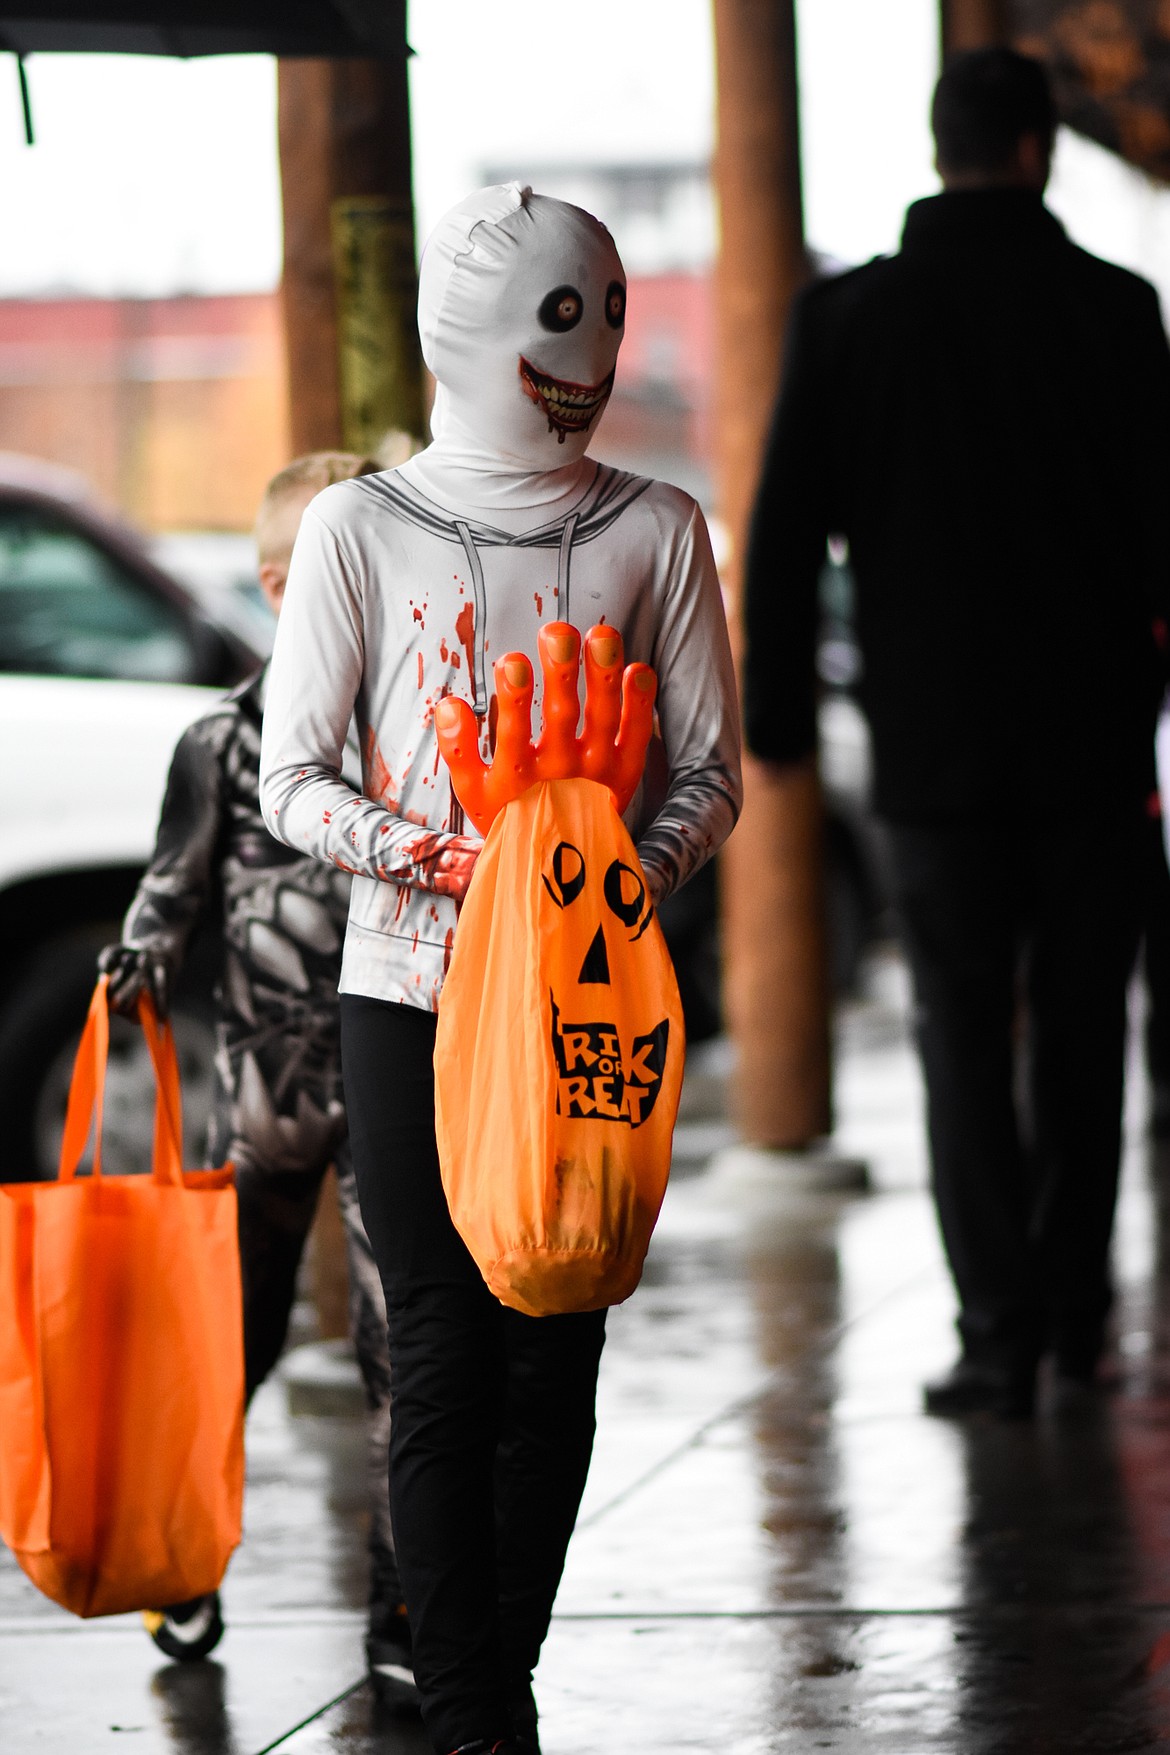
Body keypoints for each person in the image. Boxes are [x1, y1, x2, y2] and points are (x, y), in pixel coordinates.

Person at [259, 183, 742, 1755]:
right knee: (449, 1354)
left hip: (587, 1004)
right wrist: (449, 858)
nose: (589, 350)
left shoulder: (658, 530)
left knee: (562, 1338)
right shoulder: (357, 525)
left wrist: (611, 876)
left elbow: (709, 774)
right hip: (406, 992)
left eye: (606, 313)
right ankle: (477, 1715)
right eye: (557, 315)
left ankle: (494, 1669)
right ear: (467, 333)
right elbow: (294, 778)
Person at [743, 47, 1170, 1420]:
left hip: (929, 753)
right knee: (1084, 1032)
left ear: (938, 151)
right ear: (1038, 151)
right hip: (1092, 747)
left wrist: (781, 723)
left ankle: (994, 1329)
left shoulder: (848, 321)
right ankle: (1072, 1309)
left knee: (957, 1033)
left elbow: (781, 534)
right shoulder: (1115, 313)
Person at [98, 452, 417, 1705]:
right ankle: (184, 1546)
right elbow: (169, 889)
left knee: (403, 1355)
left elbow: (164, 903)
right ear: (284, 586)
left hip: (395, 1085)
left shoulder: (405, 725)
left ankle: (403, 1602)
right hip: (272, 1096)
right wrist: (130, 972)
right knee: (237, 1333)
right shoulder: (224, 741)